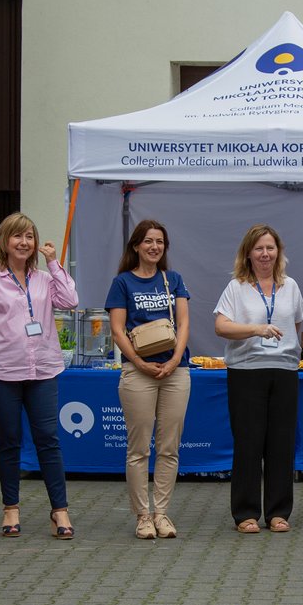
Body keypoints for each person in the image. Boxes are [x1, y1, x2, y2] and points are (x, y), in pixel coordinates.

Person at [0, 213, 78, 540]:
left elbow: (70, 300)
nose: (24, 242)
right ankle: (10, 507)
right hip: (0, 374)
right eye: (17, 236)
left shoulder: (45, 279)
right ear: (4, 241)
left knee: (48, 440)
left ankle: (60, 510)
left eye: (29, 236)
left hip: (43, 370)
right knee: (10, 441)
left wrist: (54, 263)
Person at [214, 224, 303, 533]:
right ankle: (246, 513)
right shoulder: (236, 287)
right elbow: (221, 327)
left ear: (278, 252)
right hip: (246, 372)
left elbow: (295, 325)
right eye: (259, 248)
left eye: (270, 248)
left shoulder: (290, 286)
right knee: (248, 443)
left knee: (281, 443)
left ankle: (278, 512)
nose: (265, 253)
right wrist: (256, 329)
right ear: (248, 253)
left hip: (284, 372)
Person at [107, 220, 191, 540]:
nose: (154, 247)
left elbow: (184, 324)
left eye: (160, 242)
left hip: (175, 371)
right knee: (139, 449)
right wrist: (140, 362)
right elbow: (117, 330)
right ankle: (143, 516)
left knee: (169, 449)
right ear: (136, 246)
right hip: (138, 372)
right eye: (148, 241)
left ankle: (162, 514)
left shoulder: (174, 280)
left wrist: (174, 360)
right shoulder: (122, 282)